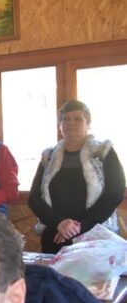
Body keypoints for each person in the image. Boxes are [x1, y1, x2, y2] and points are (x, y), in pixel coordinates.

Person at [28, 100, 125, 254]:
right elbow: (34, 198)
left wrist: (80, 226)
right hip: (56, 235)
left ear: (88, 123)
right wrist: (59, 223)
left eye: (78, 119)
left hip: (94, 235)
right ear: (60, 124)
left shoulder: (103, 152)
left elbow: (114, 193)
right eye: (65, 119)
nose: (70, 123)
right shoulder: (48, 156)